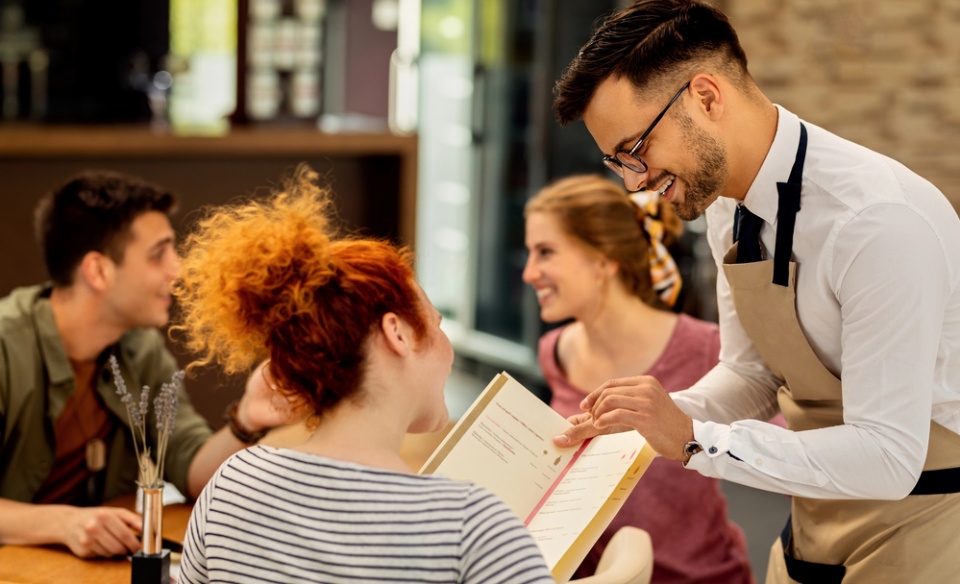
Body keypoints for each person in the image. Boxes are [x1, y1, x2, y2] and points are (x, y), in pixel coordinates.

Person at [549, 0, 960, 583]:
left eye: (636, 150)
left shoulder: (875, 222)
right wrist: (652, 420)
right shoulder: (725, 205)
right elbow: (753, 376)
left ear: (706, 97)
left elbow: (889, 458)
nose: (636, 184)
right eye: (619, 163)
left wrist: (693, 440)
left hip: (927, 521)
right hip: (814, 512)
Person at [172, 166, 554, 584]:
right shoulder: (472, 528)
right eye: (438, 324)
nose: (447, 351)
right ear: (398, 333)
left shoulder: (233, 485)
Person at [0, 170, 297, 559]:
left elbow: (192, 470)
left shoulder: (140, 347)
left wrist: (247, 418)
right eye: (160, 254)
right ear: (98, 271)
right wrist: (64, 523)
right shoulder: (7, 345)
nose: (179, 269)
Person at [523, 174, 753, 584]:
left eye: (545, 252)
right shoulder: (554, 352)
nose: (529, 272)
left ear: (603, 259)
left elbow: (778, 441)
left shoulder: (708, 349)